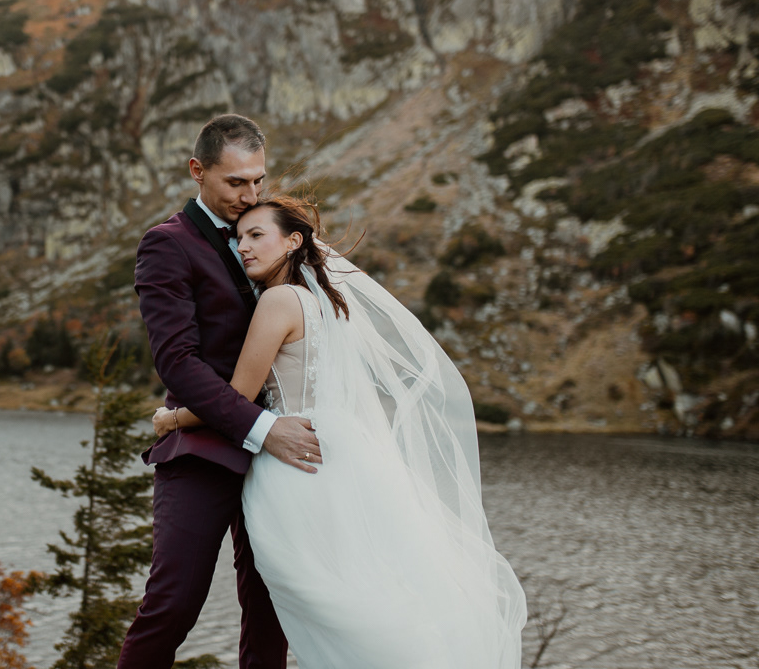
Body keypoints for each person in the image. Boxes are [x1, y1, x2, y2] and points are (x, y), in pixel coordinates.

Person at [152, 195, 528, 668]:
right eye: (239, 237)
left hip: (293, 464)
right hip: (341, 454)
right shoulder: (324, 303)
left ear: (293, 241)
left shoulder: (278, 300)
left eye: (256, 236)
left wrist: (172, 418)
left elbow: (239, 395)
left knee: (320, 600)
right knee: (357, 589)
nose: (242, 247)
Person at [118, 115, 318, 669]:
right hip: (204, 452)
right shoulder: (166, 245)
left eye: (258, 180)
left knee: (270, 614)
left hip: (280, 465)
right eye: (235, 183)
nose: (250, 195)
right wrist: (263, 428)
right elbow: (177, 364)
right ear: (197, 171)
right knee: (173, 605)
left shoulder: (267, 232)